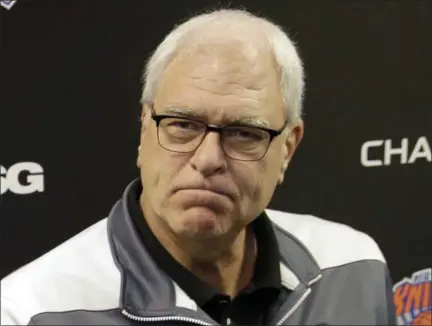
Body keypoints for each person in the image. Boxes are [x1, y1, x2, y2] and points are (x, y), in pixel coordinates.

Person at [1, 9, 396, 326]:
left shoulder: (352, 268)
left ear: (288, 147)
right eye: (182, 126)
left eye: (244, 133)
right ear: (144, 129)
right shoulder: (31, 311)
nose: (207, 159)